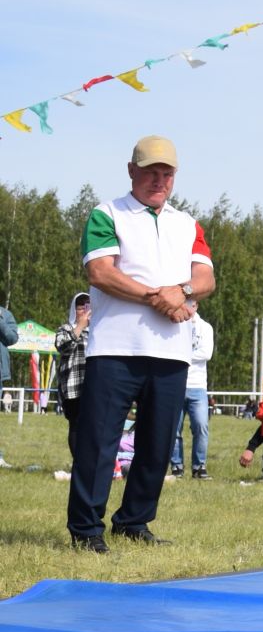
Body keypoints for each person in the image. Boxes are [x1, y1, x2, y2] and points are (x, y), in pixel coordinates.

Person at [67, 136, 217, 553]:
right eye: (151, 170)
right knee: (99, 442)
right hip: (114, 348)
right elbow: (100, 273)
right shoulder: (106, 214)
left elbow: (206, 280)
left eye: (167, 172)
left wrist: (182, 290)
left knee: (156, 443)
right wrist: (161, 297)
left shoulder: (187, 224)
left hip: (171, 350)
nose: (159, 179)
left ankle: (134, 521)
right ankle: (85, 529)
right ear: (131, 170)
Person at [169, 308, 214, 479]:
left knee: (201, 426)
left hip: (197, 385)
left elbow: (206, 353)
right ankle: (176, 466)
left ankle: (199, 466)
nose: (190, 306)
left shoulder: (205, 328)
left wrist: (181, 355)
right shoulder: (174, 324)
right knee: (174, 429)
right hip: (176, 383)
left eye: (193, 303)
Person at [53, 292, 90, 418]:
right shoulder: (66, 328)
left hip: (94, 386)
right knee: (75, 427)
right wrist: (80, 326)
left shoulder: (98, 330)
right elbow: (63, 347)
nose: (85, 312)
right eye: (81, 308)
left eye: (88, 308)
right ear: (74, 310)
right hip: (73, 388)